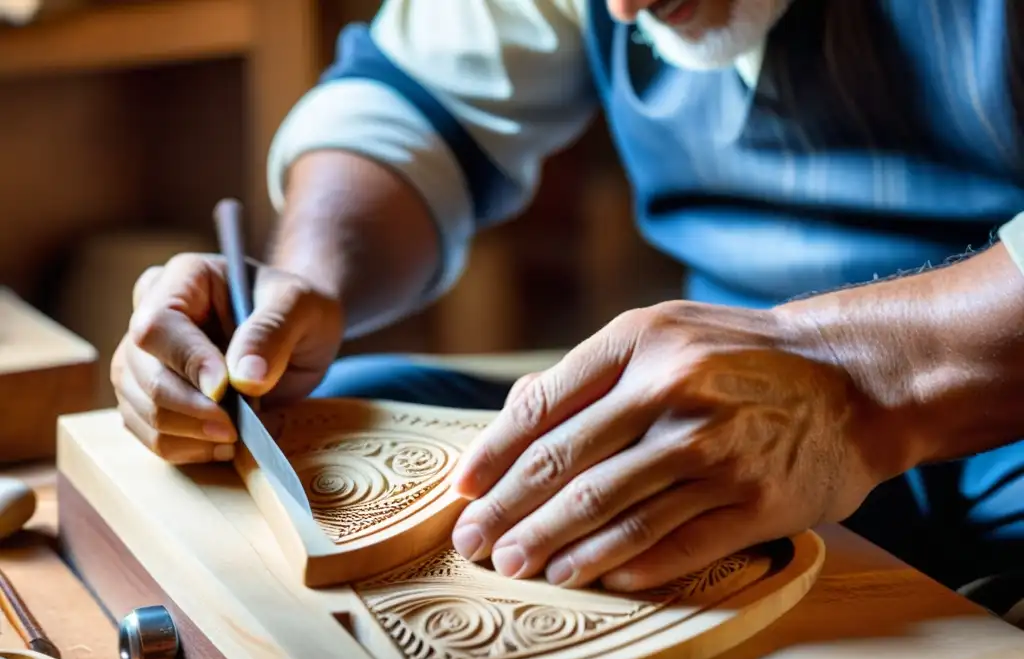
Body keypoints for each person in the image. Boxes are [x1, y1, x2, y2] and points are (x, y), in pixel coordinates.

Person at [111, 0, 1024, 600]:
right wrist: (306, 275)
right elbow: (419, 99)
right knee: (328, 431)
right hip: (734, 391)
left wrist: (852, 376)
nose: (622, 9)